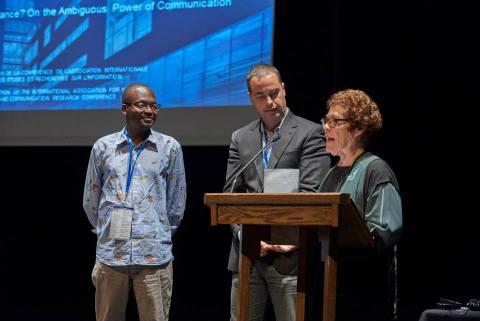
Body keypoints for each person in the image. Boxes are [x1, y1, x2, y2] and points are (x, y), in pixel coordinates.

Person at [223, 64, 330, 321]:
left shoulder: (310, 133)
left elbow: (311, 193)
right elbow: (230, 195)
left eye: (274, 93)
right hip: (248, 254)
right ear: (251, 99)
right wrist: (244, 234)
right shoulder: (241, 138)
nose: (270, 102)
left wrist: (285, 238)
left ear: (284, 89)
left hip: (291, 253)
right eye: (261, 96)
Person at [83, 83, 186, 321]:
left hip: (154, 254)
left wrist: (158, 232)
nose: (150, 110)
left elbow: (177, 202)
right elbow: (91, 198)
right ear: (124, 108)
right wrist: (106, 228)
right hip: (111, 254)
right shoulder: (103, 147)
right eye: (142, 105)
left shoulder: (170, 148)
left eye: (154, 106)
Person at [314, 89, 402, 321]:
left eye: (335, 121)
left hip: (364, 291)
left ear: (359, 128)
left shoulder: (376, 170)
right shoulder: (331, 175)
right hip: (329, 286)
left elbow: (385, 229)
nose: (326, 127)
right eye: (326, 120)